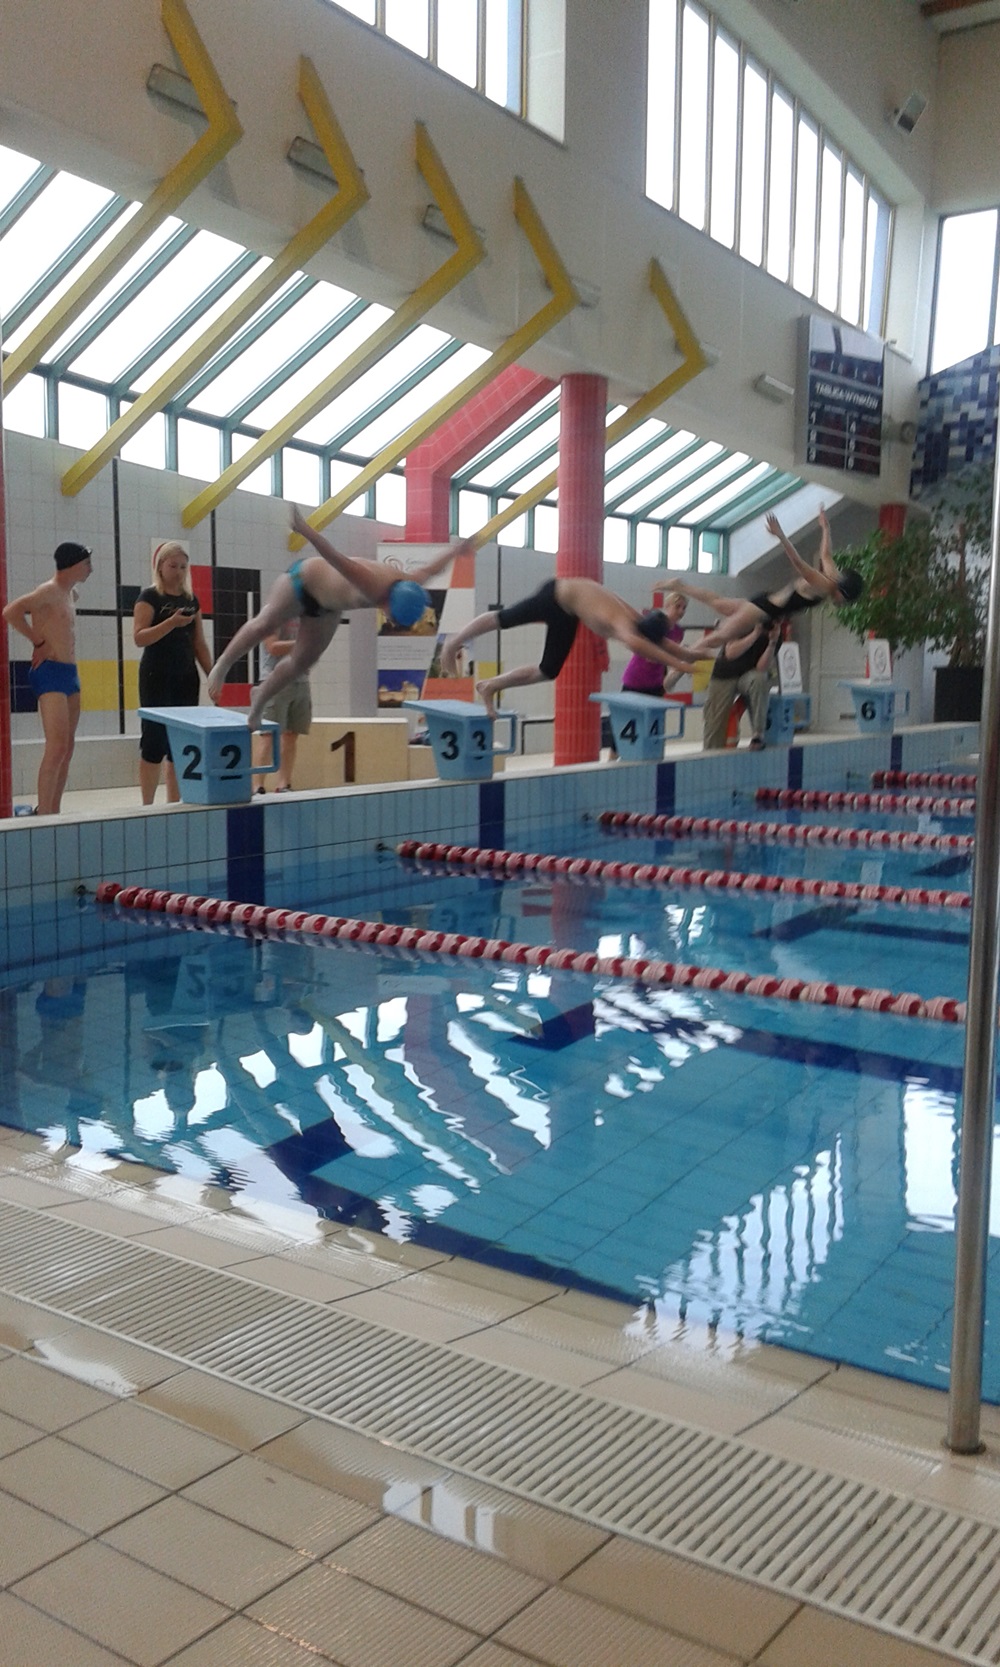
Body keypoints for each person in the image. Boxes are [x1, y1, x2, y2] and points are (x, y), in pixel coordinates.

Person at [208, 507, 468, 730]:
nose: (390, 619)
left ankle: (259, 699)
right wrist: (304, 529)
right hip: (301, 582)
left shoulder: (411, 583)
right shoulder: (369, 583)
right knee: (266, 623)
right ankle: (222, 665)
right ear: (389, 603)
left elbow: (433, 568)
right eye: (392, 616)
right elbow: (334, 557)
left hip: (326, 608)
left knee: (301, 662)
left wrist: (456, 550)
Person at [439, 575, 700, 720]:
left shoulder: (637, 617)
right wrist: (680, 665)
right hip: (555, 595)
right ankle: (453, 642)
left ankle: (490, 685)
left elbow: (663, 644)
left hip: (568, 612)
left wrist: (697, 654)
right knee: (504, 619)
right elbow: (647, 648)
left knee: (548, 671)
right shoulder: (626, 628)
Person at [672, 507, 864, 654]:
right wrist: (781, 535)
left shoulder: (831, 576)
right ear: (842, 590)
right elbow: (799, 563)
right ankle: (680, 658)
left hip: (766, 603)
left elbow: (826, 554)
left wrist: (826, 528)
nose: (842, 603)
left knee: (718, 603)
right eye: (845, 600)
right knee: (720, 637)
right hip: (763, 610)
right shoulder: (824, 585)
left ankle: (681, 587)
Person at [3, 540, 93, 815]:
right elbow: (10, 612)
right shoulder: (49, 591)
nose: (90, 568)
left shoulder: (70, 594)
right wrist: (38, 641)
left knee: (67, 748)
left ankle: (53, 810)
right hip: (49, 672)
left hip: (69, 673)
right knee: (56, 748)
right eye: (87, 563)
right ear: (73, 565)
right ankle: (43, 817)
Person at [133, 540, 212, 805]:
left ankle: (174, 804)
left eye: (183, 567)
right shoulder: (149, 597)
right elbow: (140, 637)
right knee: (154, 741)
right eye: (173, 566)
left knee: (180, 742)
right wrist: (170, 623)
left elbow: (199, 643)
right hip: (156, 676)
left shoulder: (191, 601)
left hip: (186, 677)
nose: (178, 572)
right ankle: (146, 805)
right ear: (160, 567)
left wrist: (213, 675)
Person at [605, 594, 689, 757]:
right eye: (677, 606)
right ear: (667, 606)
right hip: (635, 679)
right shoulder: (654, 622)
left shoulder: (678, 632)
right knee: (625, 724)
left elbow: (668, 658)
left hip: (655, 683)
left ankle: (648, 760)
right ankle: (612, 758)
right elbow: (652, 655)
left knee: (652, 727)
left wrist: (680, 665)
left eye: (684, 608)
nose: (681, 611)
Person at [251, 618, 311, 794]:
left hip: (300, 680)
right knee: (268, 735)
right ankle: (257, 785)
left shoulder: (307, 616)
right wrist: (303, 643)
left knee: (291, 734)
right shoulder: (274, 614)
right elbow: (273, 647)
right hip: (275, 681)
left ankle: (284, 784)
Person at [702, 622, 780, 751]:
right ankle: (711, 752)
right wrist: (755, 634)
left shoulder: (776, 634)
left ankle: (758, 734)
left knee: (760, 679)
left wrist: (772, 642)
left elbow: (761, 668)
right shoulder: (745, 621)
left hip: (747, 676)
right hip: (725, 674)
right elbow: (731, 653)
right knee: (715, 724)